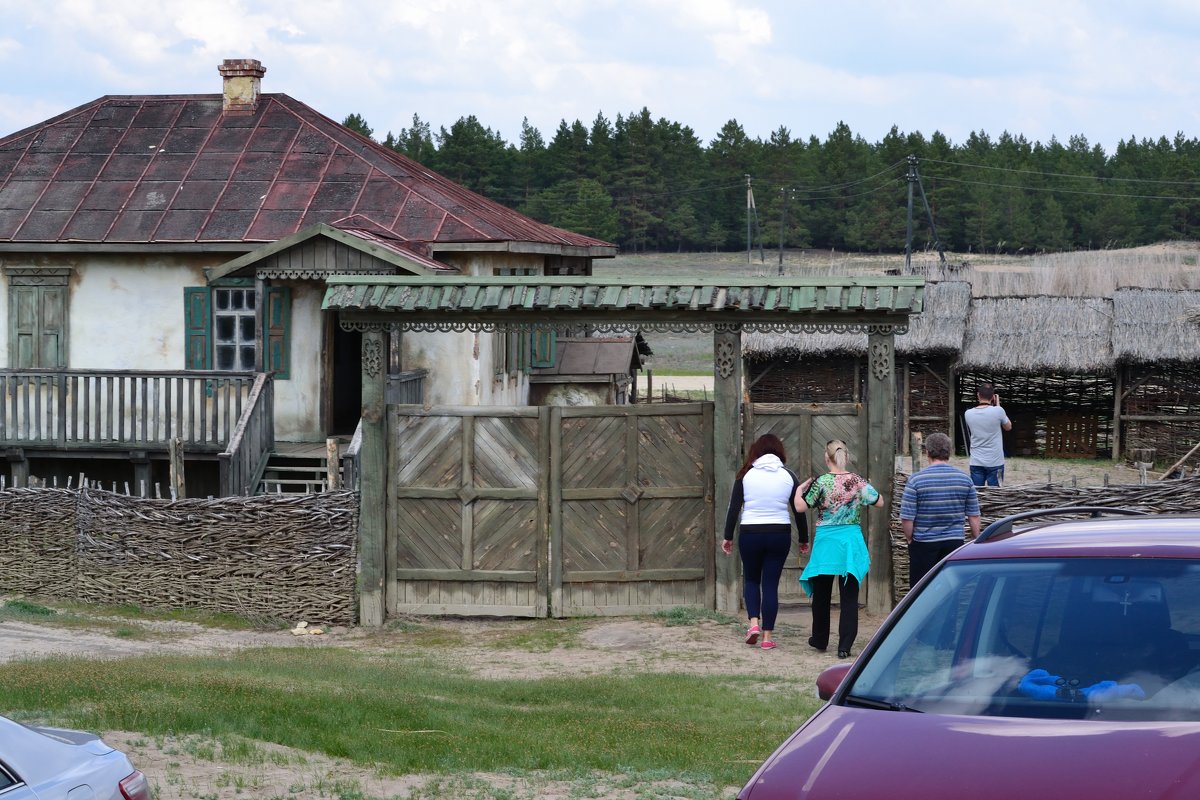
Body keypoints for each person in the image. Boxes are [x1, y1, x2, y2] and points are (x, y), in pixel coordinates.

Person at [722, 434, 811, 650]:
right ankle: (767, 637)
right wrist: (803, 538)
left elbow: (733, 509)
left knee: (751, 580)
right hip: (779, 533)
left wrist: (728, 537)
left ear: (756, 451)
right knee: (770, 584)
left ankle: (753, 624)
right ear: (779, 452)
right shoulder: (788, 475)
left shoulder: (745, 475)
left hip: (750, 532)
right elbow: (798, 510)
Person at [796, 439, 884, 659]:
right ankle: (844, 646)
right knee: (849, 596)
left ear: (827, 457)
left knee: (822, 594)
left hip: (826, 542)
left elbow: (800, 507)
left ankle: (819, 639)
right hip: (850, 541)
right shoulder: (857, 480)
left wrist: (798, 491)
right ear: (846, 456)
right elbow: (879, 501)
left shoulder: (821, 482)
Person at [900, 432, 981, 589]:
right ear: (949, 452)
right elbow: (974, 515)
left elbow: (907, 518)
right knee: (951, 590)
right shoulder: (964, 479)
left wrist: (910, 538)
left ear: (927, 452)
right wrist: (975, 537)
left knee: (920, 590)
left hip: (924, 543)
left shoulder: (916, 480)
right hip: (954, 543)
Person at [964, 383, 1012, 486]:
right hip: (995, 462)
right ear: (993, 397)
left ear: (978, 395)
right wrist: (998, 406)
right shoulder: (998, 411)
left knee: (977, 494)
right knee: (996, 495)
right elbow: (1008, 427)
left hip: (976, 461)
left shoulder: (968, 413)